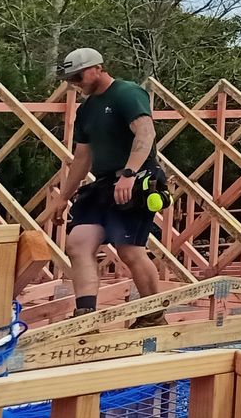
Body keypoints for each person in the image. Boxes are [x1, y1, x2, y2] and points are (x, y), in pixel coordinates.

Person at [40, 48, 165, 327]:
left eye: (78, 76)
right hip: (105, 183)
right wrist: (63, 197)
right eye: (70, 79)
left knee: (129, 249)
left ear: (97, 68)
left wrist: (130, 174)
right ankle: (86, 316)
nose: (75, 83)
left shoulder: (126, 93)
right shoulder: (86, 110)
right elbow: (82, 157)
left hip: (137, 177)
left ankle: (154, 315)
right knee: (78, 244)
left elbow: (146, 133)